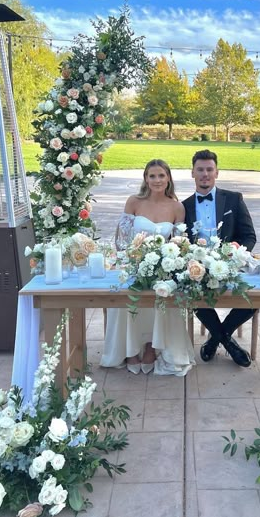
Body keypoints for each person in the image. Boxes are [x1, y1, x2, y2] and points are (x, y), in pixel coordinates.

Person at [101, 159, 195, 376]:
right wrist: (131, 258)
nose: (157, 180)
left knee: (162, 293)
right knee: (125, 294)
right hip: (133, 263)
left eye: (161, 175)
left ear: (168, 178)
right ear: (145, 178)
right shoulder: (134, 202)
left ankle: (153, 348)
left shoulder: (177, 207)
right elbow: (122, 239)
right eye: (152, 176)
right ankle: (130, 350)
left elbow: (180, 242)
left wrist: (165, 262)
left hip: (162, 266)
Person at [183, 149, 256, 367]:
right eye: (200, 170)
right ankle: (228, 342)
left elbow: (249, 236)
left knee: (254, 297)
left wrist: (237, 249)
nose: (205, 174)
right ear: (192, 173)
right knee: (192, 294)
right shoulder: (184, 206)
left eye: (209, 169)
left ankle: (216, 338)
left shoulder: (233, 199)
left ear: (217, 172)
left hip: (231, 264)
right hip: (198, 268)